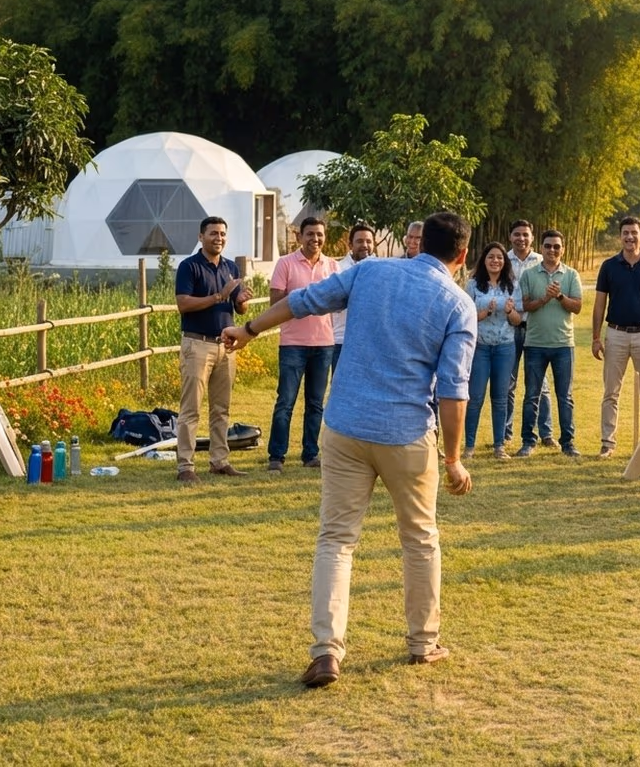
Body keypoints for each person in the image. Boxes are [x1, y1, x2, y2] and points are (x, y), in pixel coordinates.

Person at [221, 212, 476, 685]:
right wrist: (454, 459)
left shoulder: (370, 270)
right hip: (406, 435)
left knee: (336, 540)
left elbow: (303, 302)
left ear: (419, 242)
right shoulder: (458, 304)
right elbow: (453, 391)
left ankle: (326, 652)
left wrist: (249, 329)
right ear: (461, 255)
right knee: (420, 540)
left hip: (345, 427)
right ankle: (423, 642)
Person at [173, 216, 252, 484]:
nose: (219, 238)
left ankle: (220, 461)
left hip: (225, 346)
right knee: (191, 409)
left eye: (222, 234)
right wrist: (220, 295)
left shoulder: (230, 267)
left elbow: (239, 308)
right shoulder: (189, 267)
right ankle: (185, 466)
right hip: (197, 344)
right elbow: (183, 304)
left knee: (221, 409)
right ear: (201, 237)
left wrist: (241, 300)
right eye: (213, 233)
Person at [267, 216, 338, 471]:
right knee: (285, 402)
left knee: (315, 404)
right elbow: (275, 302)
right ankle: (276, 456)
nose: (315, 239)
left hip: (324, 343)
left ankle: (310, 454)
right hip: (293, 343)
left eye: (319, 234)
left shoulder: (332, 266)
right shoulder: (285, 263)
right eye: (310, 234)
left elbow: (338, 300)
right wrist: (307, 302)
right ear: (300, 237)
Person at [592, 216, 640, 459]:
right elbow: (599, 304)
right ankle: (608, 443)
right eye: (625, 233)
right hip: (616, 335)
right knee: (611, 392)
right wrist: (596, 337)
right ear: (620, 236)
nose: (630, 237)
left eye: (634, 232)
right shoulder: (609, 266)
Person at [517, 229, 583, 458]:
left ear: (562, 249)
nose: (552, 250)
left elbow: (577, 307)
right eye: (548, 246)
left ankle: (568, 443)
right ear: (541, 248)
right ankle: (528, 441)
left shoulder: (571, 274)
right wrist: (545, 298)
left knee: (565, 396)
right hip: (535, 344)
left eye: (556, 246)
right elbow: (525, 306)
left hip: (563, 344)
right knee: (531, 396)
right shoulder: (529, 274)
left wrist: (560, 296)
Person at [464, 242, 523, 461]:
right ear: (484, 260)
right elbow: (466, 317)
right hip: (480, 346)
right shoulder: (473, 285)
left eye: (499, 257)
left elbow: (517, 320)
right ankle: (469, 446)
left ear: (504, 261)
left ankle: (499, 446)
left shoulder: (512, 285)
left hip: (505, 347)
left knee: (500, 398)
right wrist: (485, 313)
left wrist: (509, 311)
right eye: (491, 257)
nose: (495, 260)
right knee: (475, 397)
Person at [505, 219, 553, 447]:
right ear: (510, 236)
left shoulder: (543, 261)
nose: (521, 238)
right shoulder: (502, 260)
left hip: (535, 328)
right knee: (508, 382)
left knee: (541, 383)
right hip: (509, 328)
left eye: (525, 234)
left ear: (532, 238)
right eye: (517, 234)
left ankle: (546, 433)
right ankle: (505, 433)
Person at [331, 223, 374, 374]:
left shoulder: (382, 269)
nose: (365, 245)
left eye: (368, 241)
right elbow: (334, 303)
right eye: (360, 241)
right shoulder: (338, 269)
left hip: (371, 342)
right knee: (340, 383)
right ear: (350, 245)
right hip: (342, 341)